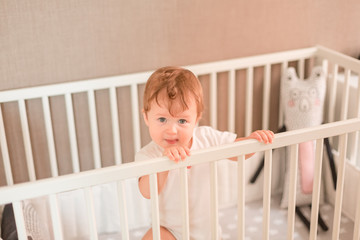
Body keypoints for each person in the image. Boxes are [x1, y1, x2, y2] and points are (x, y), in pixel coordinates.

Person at [136, 66, 274, 240]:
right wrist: (164, 162)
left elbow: (236, 151)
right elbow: (147, 192)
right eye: (162, 119)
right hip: (169, 230)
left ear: (196, 119)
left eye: (182, 120)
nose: (172, 130)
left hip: (207, 232)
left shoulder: (207, 137)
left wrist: (253, 141)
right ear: (147, 117)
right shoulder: (148, 154)